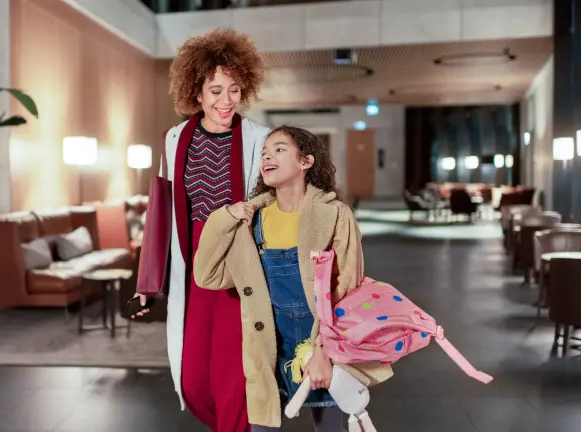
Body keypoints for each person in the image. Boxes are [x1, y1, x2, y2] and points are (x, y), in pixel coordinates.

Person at [192, 126, 394, 430]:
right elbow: (207, 276)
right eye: (264, 153)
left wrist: (324, 352)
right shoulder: (251, 220)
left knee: (328, 427)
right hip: (266, 348)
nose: (267, 157)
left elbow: (348, 291)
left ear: (306, 162)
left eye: (279, 149)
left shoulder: (336, 215)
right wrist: (224, 218)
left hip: (320, 343)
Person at [131, 28, 269, 432]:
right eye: (215, 90)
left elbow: (274, 199)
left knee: (233, 383)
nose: (225, 101)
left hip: (235, 275)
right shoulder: (175, 139)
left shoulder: (259, 139)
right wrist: (147, 283)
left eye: (233, 90)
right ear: (196, 92)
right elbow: (160, 213)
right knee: (192, 383)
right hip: (192, 275)